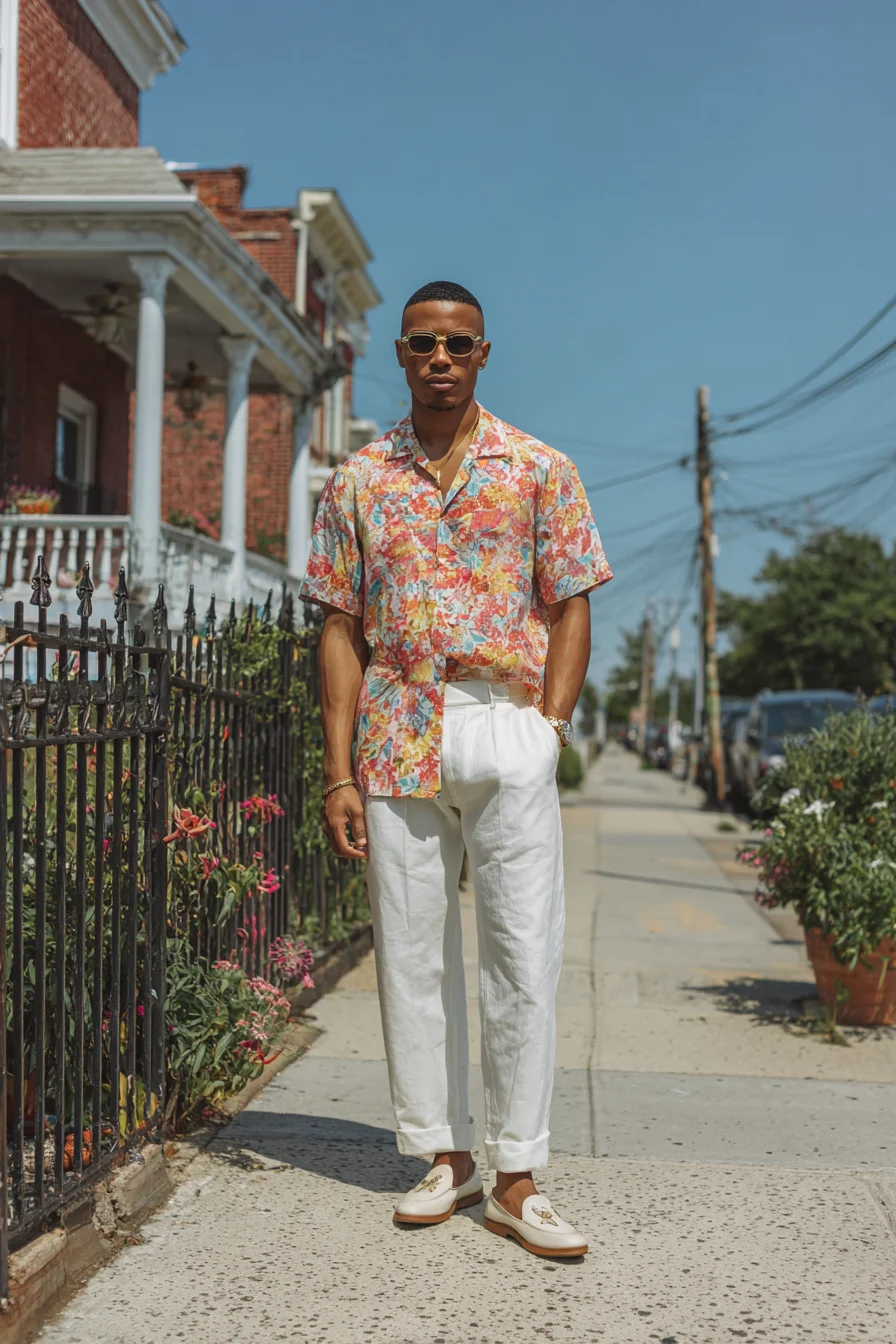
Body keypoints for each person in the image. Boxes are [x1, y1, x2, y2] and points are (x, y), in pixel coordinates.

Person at [302, 280, 612, 1259]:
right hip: (396, 721)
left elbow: (570, 604)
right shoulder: (358, 479)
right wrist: (336, 770)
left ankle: (517, 1173)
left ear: (483, 354)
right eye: (423, 344)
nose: (440, 358)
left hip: (503, 716)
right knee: (410, 953)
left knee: (522, 949)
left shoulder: (538, 468)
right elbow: (339, 626)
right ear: (399, 354)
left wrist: (548, 730)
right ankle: (442, 1156)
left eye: (458, 344)